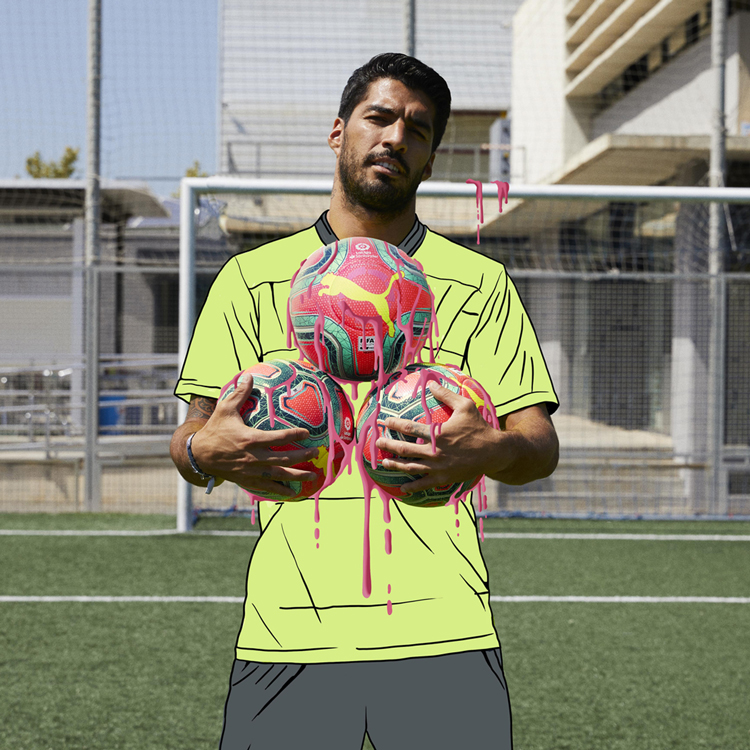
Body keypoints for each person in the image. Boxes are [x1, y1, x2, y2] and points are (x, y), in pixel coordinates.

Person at [171, 53, 559, 750]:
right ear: (338, 131)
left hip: (444, 635)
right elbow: (190, 438)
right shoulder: (250, 279)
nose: (395, 137)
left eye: (418, 129)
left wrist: (490, 448)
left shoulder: (480, 284)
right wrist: (205, 453)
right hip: (289, 635)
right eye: (379, 117)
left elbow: (538, 446)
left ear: (431, 159)